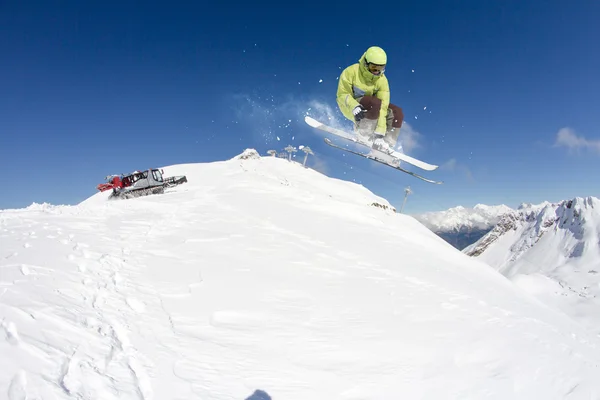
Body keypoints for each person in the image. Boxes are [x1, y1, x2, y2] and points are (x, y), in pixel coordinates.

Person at [336, 46, 404, 155]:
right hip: (350, 107)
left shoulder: (382, 81)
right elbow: (342, 94)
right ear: (366, 64)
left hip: (372, 110)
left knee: (397, 112)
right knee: (373, 102)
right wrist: (354, 106)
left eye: (381, 69)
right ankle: (364, 133)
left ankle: (385, 144)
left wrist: (380, 133)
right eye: (373, 68)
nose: (377, 72)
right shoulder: (351, 72)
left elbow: (383, 107)